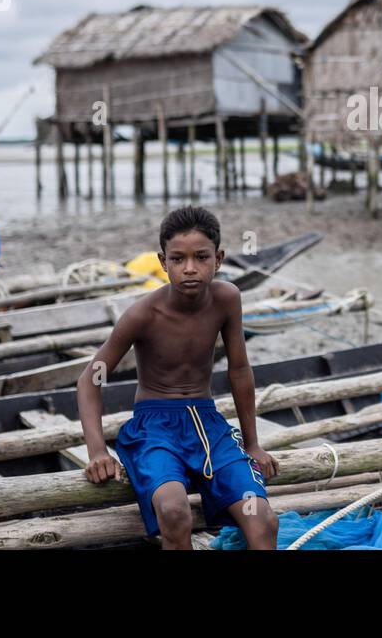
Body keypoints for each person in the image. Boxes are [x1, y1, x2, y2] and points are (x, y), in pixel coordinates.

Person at [77, 206, 280, 550]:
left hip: (208, 427)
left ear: (218, 259)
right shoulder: (144, 313)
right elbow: (90, 379)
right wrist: (97, 451)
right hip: (154, 430)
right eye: (178, 259)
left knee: (262, 518)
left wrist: (253, 443)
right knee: (173, 511)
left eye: (201, 257)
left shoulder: (226, 299)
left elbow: (239, 370)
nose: (189, 268)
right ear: (163, 262)